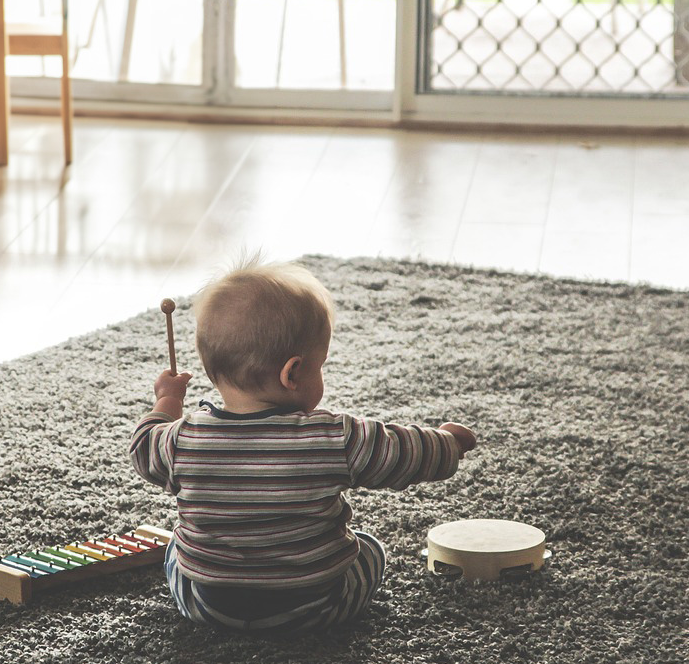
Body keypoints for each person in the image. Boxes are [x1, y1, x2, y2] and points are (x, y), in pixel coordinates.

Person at [130, 258, 477, 635]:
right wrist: (449, 443)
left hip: (210, 607)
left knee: (174, 551)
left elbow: (143, 446)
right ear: (293, 373)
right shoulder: (334, 437)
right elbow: (403, 452)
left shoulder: (181, 440)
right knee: (370, 549)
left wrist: (167, 400)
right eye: (320, 365)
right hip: (315, 608)